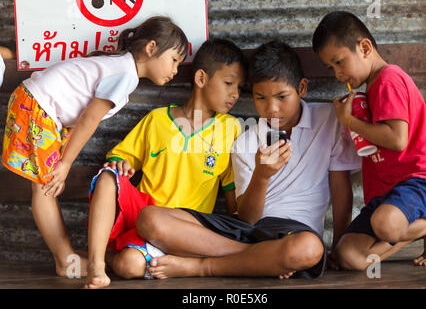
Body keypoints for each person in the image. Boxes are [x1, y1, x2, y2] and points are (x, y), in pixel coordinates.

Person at [134, 40, 361, 279]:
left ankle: (202, 266)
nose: (272, 108)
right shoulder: (246, 142)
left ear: (301, 88)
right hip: (247, 231)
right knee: (150, 218)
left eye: (282, 97)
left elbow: (340, 189)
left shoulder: (329, 121)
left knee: (309, 248)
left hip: (294, 234)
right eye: (260, 98)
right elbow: (248, 219)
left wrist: (337, 245)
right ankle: (261, 258)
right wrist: (262, 176)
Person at [1, 16, 188, 277]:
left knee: (45, 185)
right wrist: (65, 164)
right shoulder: (125, 75)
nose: (176, 70)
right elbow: (90, 118)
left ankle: (65, 257)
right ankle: (65, 258)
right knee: (46, 186)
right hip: (38, 106)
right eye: (174, 60)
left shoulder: (122, 69)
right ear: (152, 48)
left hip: (41, 108)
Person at [84, 38, 246, 288]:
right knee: (107, 178)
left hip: (188, 229)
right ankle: (96, 265)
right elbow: (122, 156)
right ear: (201, 78)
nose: (235, 94)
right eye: (228, 84)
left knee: (130, 264)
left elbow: (233, 192)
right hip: (144, 219)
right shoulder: (157, 120)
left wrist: (243, 226)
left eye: (239, 87)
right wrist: (121, 164)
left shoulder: (231, 129)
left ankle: (177, 261)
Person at [312, 11, 426, 269]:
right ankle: (413, 228)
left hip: (422, 182)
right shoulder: (370, 90)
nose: (337, 75)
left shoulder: (388, 79)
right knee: (348, 256)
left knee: (386, 224)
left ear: (364, 47)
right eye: (331, 68)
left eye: (339, 62)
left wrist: (349, 122)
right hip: (390, 198)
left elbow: (397, 140)